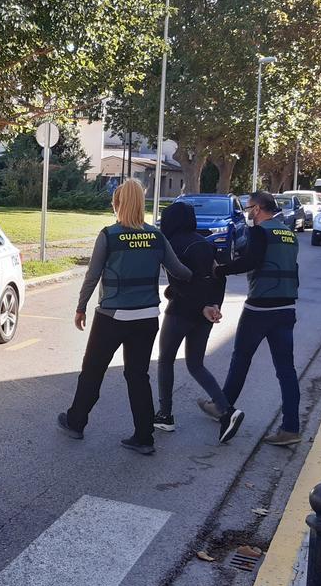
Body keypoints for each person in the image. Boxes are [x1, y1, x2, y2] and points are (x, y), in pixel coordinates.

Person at [57, 179, 192, 455]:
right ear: (141, 204)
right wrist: (203, 270)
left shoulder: (109, 235)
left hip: (112, 316)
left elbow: (92, 275)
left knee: (93, 371)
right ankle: (144, 436)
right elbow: (180, 271)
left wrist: (81, 307)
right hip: (147, 317)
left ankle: (76, 422)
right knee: (138, 375)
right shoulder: (156, 236)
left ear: (118, 204)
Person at [152, 201, 245, 443]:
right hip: (204, 315)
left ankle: (165, 415)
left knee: (166, 360)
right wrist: (214, 305)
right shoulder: (206, 243)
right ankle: (227, 411)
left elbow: (180, 282)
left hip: (181, 312)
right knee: (195, 364)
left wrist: (200, 305)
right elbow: (219, 277)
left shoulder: (173, 245)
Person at [214, 191, 302, 446]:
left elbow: (249, 261)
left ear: (260, 208)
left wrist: (220, 270)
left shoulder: (260, 232)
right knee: (286, 369)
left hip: (260, 307)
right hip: (286, 307)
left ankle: (223, 407)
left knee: (240, 359)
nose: (248, 213)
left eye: (250, 208)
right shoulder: (289, 234)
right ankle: (291, 428)